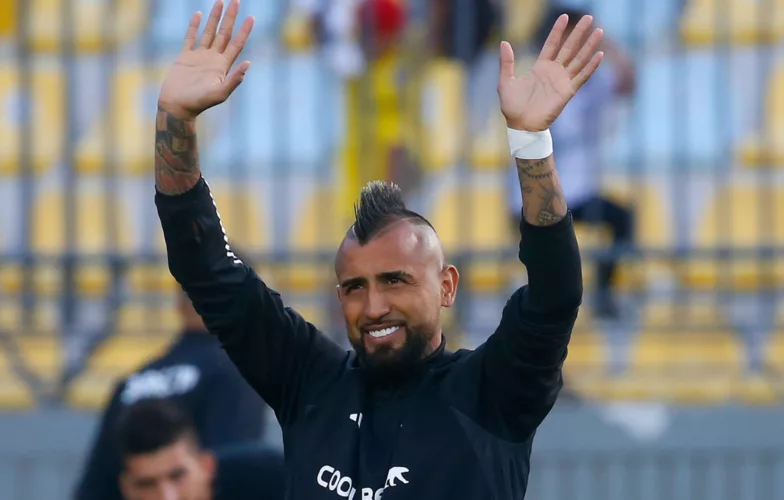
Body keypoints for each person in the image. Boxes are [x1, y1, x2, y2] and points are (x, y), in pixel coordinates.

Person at [153, 0, 601, 497]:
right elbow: (206, 268)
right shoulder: (309, 382)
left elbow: (555, 292)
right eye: (354, 287)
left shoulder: (493, 392)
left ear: (446, 285)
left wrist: (530, 140)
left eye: (395, 280)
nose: (374, 306)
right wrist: (177, 120)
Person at [74, 289, 270, 500]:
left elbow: (93, 489)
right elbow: (234, 479)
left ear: (178, 305)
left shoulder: (132, 382)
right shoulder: (237, 371)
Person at [509, 5, 636, 319]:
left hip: (576, 191)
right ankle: (548, 302)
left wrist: (606, 44)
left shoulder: (590, 80)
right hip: (538, 192)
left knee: (622, 219)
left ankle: (603, 293)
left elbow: (627, 82)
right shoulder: (536, 77)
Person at [117, 398, 285, 500]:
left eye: (177, 476)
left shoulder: (274, 479)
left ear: (207, 465)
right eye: (148, 484)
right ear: (127, 488)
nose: (168, 496)